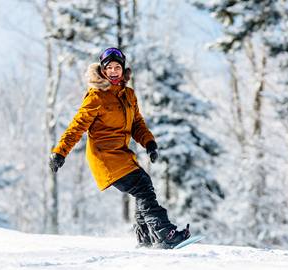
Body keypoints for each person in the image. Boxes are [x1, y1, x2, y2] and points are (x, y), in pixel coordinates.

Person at [49, 47, 190, 249]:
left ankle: (147, 239)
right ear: (103, 71)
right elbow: (76, 126)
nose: (114, 71)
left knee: (143, 186)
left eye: (118, 67)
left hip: (122, 154)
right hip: (105, 157)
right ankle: (163, 234)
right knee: (142, 187)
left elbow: (137, 123)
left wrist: (149, 142)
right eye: (109, 68)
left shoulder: (128, 95)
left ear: (123, 70)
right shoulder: (96, 97)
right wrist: (59, 152)